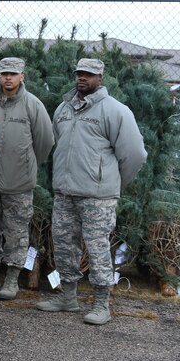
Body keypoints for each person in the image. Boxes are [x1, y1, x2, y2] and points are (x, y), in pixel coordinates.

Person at [37, 58, 147, 325]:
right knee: (64, 245)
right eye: (79, 73)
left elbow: (135, 155)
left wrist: (113, 186)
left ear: (101, 77)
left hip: (98, 197)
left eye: (88, 74)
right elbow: (56, 143)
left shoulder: (116, 111)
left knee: (97, 248)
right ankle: (68, 297)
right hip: (64, 193)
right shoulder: (64, 108)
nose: (82, 78)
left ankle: (101, 303)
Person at [0, 57, 54, 300]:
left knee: (16, 233)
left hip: (19, 184)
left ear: (22, 76)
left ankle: (11, 279)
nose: (7, 78)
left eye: (13, 74)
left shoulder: (33, 105)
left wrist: (26, 165)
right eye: (3, 74)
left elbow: (44, 142)